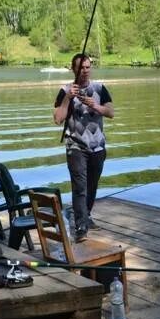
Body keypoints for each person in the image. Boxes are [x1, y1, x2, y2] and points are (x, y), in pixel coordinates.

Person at [53, 53, 114, 242]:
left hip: (97, 147)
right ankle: (81, 228)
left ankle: (86, 215)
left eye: (88, 67)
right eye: (81, 68)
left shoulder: (100, 88)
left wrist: (96, 106)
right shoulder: (65, 91)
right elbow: (57, 119)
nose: (85, 71)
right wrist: (67, 99)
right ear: (74, 69)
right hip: (76, 147)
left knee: (92, 185)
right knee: (80, 187)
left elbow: (111, 112)